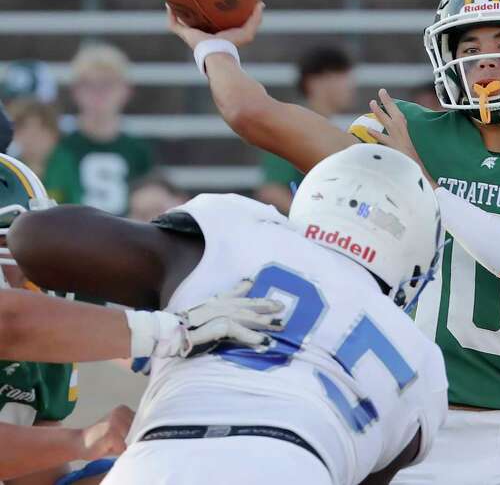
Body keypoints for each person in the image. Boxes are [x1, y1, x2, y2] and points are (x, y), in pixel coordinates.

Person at [167, 0, 500, 484]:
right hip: (400, 429)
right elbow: (252, 114)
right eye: (469, 50)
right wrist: (212, 45)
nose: (486, 62)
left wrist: (424, 183)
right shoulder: (404, 132)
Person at [8, 143, 448, 485]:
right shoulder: (425, 365)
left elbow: (35, 237)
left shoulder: (241, 230)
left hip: (158, 462)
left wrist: (167, 329)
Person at [0, 153, 266, 484]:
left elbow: (34, 481)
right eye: (5, 242)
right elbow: (10, 321)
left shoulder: (43, 337)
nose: (29, 263)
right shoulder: (22, 323)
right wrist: (167, 332)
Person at [43, 44, 152, 216]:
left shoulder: (138, 150)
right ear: (75, 91)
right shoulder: (60, 147)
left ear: (126, 90)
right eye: (89, 85)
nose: (98, 94)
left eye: (107, 84)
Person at [257, 46, 355, 214]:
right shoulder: (292, 126)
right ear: (316, 82)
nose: (351, 86)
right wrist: (310, 224)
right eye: (342, 77)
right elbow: (272, 191)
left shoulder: (328, 128)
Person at [6, 98, 61, 179]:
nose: (33, 141)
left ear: (53, 134)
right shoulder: (10, 170)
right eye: (27, 134)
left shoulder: (68, 162)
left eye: (39, 133)